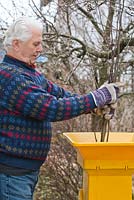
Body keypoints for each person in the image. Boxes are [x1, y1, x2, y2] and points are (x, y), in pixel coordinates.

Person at [0, 17, 120, 200]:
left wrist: (94, 107)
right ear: (16, 44)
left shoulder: (29, 73)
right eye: (36, 44)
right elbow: (50, 107)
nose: (40, 49)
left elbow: (59, 94)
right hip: (12, 174)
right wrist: (97, 98)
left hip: (23, 172)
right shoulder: (10, 76)